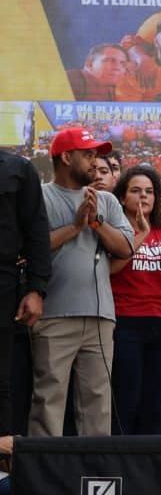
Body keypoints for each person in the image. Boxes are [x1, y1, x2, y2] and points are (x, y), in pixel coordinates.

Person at [31, 128, 134, 436]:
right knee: (48, 399)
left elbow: (126, 248)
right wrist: (75, 227)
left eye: (96, 155)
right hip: (52, 314)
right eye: (87, 155)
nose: (95, 162)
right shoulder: (39, 197)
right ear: (66, 157)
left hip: (100, 316)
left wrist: (96, 223)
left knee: (97, 403)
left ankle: (94, 465)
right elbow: (29, 249)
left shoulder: (107, 201)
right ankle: (44, 466)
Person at [109, 166, 161, 435]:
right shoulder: (117, 230)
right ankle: (122, 459)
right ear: (122, 198)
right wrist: (140, 235)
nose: (143, 196)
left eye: (149, 191)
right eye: (135, 190)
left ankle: (149, 461)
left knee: (154, 405)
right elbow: (111, 269)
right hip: (126, 324)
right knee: (126, 402)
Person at [0, 149, 50, 439]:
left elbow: (36, 232)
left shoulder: (17, 168)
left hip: (4, 283)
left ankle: (2, 457)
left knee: (1, 379)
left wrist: (36, 289)